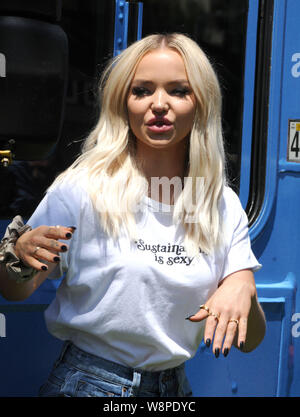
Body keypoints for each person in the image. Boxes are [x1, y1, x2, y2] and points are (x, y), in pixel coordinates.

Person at [0, 33, 265, 397]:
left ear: (201, 103)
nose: (159, 104)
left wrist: (243, 284)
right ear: (123, 103)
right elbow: (15, 290)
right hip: (89, 385)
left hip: (175, 389)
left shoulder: (221, 203)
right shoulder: (82, 190)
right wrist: (19, 255)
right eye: (142, 91)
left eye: (178, 90)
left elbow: (251, 341)